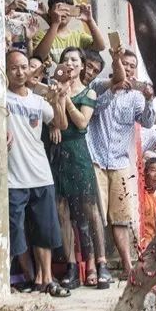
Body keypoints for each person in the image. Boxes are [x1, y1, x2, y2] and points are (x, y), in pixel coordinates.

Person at [1, 48, 70, 297]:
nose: (20, 72)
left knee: (45, 230)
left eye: (23, 67)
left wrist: (59, 100)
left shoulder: (37, 100)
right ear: (5, 71)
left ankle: (46, 279)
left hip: (40, 173)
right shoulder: (1, 98)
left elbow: (60, 124)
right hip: (12, 177)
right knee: (14, 231)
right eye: (14, 68)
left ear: (30, 70)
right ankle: (21, 279)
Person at [86, 46, 156, 273]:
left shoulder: (136, 97)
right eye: (124, 64)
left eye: (132, 66)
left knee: (121, 217)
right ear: (116, 65)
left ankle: (127, 265)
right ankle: (98, 264)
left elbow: (146, 122)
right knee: (95, 214)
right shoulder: (99, 86)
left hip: (119, 161)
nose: (128, 69)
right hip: (95, 158)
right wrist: (114, 88)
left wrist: (148, 100)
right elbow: (95, 109)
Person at [47, 46, 109, 290]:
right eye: (66, 60)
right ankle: (72, 266)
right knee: (62, 209)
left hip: (78, 152)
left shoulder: (89, 93)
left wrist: (66, 100)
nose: (70, 63)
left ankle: (102, 263)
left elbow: (82, 123)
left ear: (82, 66)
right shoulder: (53, 89)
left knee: (89, 208)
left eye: (74, 60)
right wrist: (56, 103)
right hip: (59, 152)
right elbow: (54, 120)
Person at [30, 0, 108, 65]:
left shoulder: (78, 36)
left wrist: (90, 21)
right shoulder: (41, 35)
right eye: (59, 9)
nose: (63, 13)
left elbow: (100, 47)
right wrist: (55, 22)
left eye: (67, 10)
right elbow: (39, 57)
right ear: (50, 12)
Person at [139, 157, 156, 251]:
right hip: (143, 247)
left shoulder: (155, 198)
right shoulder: (139, 196)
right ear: (145, 173)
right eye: (153, 170)